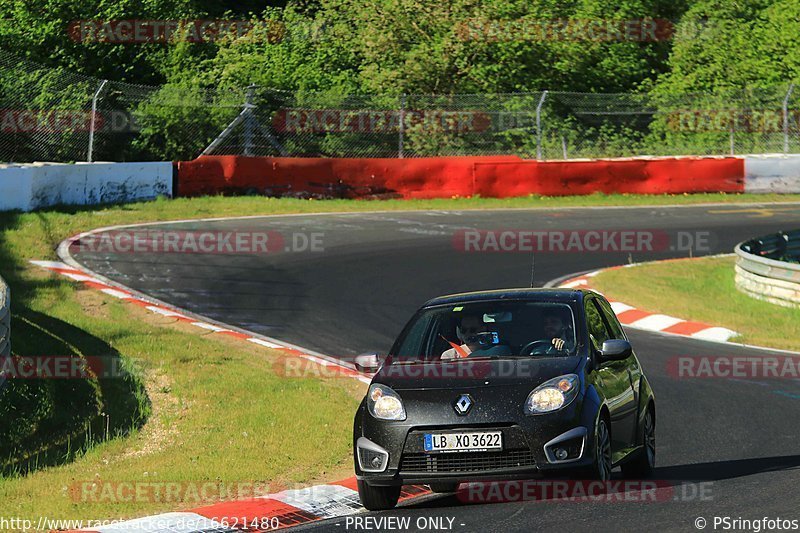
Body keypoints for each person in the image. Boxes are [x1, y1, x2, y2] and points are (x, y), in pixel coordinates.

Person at [441, 314, 510, 360]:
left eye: (473, 330)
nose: (467, 334)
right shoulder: (450, 355)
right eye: (463, 330)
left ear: (483, 329)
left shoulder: (499, 351)